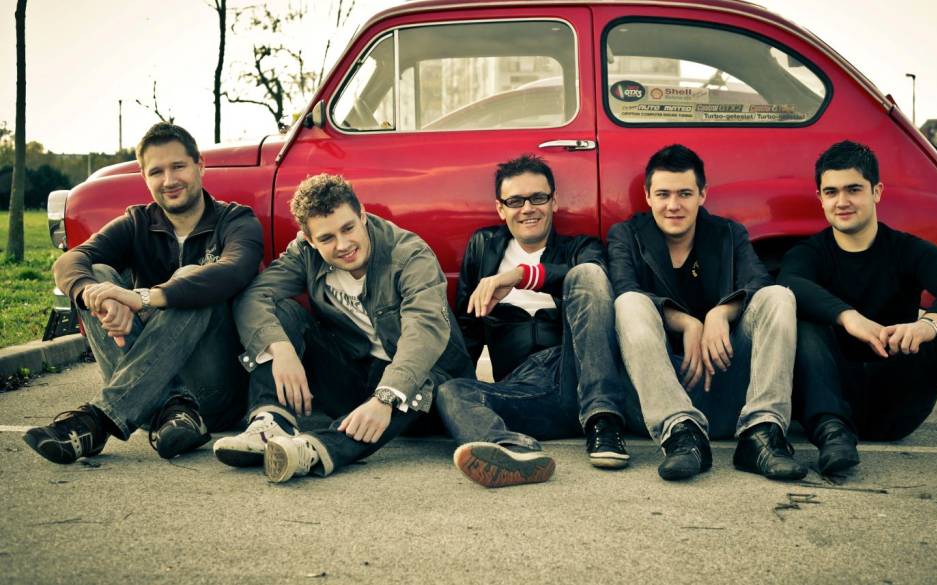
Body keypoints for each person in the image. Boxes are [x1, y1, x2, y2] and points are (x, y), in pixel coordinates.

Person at [778, 140, 937, 475]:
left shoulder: (906, 249)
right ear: (820, 198)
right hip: (831, 405)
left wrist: (928, 324)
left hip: (896, 403)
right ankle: (832, 432)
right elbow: (790, 282)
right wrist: (849, 317)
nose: (842, 201)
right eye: (831, 192)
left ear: (876, 192)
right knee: (801, 317)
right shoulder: (810, 253)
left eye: (853, 189)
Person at [23, 122, 263, 463]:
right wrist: (96, 294)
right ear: (144, 177)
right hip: (154, 407)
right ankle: (172, 407)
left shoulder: (235, 221)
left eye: (178, 166)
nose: (169, 180)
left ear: (200, 165)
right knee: (98, 277)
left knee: (193, 277)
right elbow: (69, 261)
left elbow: (234, 270)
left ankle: (100, 420)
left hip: (216, 394)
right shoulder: (138, 223)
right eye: (157, 172)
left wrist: (144, 299)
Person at [213, 173, 473, 483]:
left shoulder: (408, 254)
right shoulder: (305, 254)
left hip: (425, 389)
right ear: (310, 240)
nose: (343, 245)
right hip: (357, 376)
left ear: (362, 215)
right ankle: (271, 422)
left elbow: (424, 332)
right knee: (282, 314)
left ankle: (313, 449)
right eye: (327, 238)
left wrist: (385, 398)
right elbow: (255, 296)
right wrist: (280, 349)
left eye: (348, 228)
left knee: (419, 380)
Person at [609, 144, 807, 482]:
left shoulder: (728, 234)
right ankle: (681, 433)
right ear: (648, 196)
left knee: (778, 296)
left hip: (727, 385)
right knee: (628, 302)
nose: (673, 205)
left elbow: (758, 281)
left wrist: (721, 313)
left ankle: (762, 433)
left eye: (685, 194)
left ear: (702, 194)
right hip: (657, 395)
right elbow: (623, 286)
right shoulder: (627, 235)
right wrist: (686, 323)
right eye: (663, 194)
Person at [436, 155, 632, 488]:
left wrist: (518, 276)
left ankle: (604, 423)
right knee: (450, 391)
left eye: (538, 198)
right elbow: (469, 330)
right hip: (523, 391)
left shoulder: (580, 247)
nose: (528, 208)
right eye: (515, 201)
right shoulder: (483, 247)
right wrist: (458, 403)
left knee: (588, 275)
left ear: (554, 201)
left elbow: (595, 283)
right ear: (501, 209)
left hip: (575, 375)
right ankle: (510, 453)